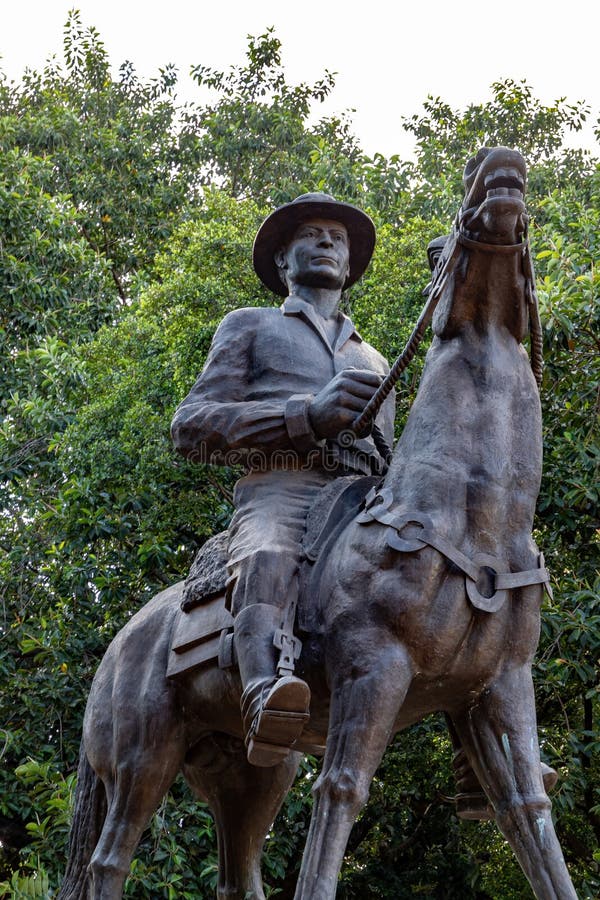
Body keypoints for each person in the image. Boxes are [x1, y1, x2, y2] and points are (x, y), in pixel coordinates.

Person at [171, 193, 394, 767]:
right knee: (268, 553)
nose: (326, 242)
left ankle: (482, 737)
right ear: (282, 263)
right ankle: (262, 694)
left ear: (348, 266)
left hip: (366, 499)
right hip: (282, 487)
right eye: (311, 234)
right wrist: (305, 417)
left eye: (337, 238)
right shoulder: (249, 326)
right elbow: (190, 429)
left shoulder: (375, 358)